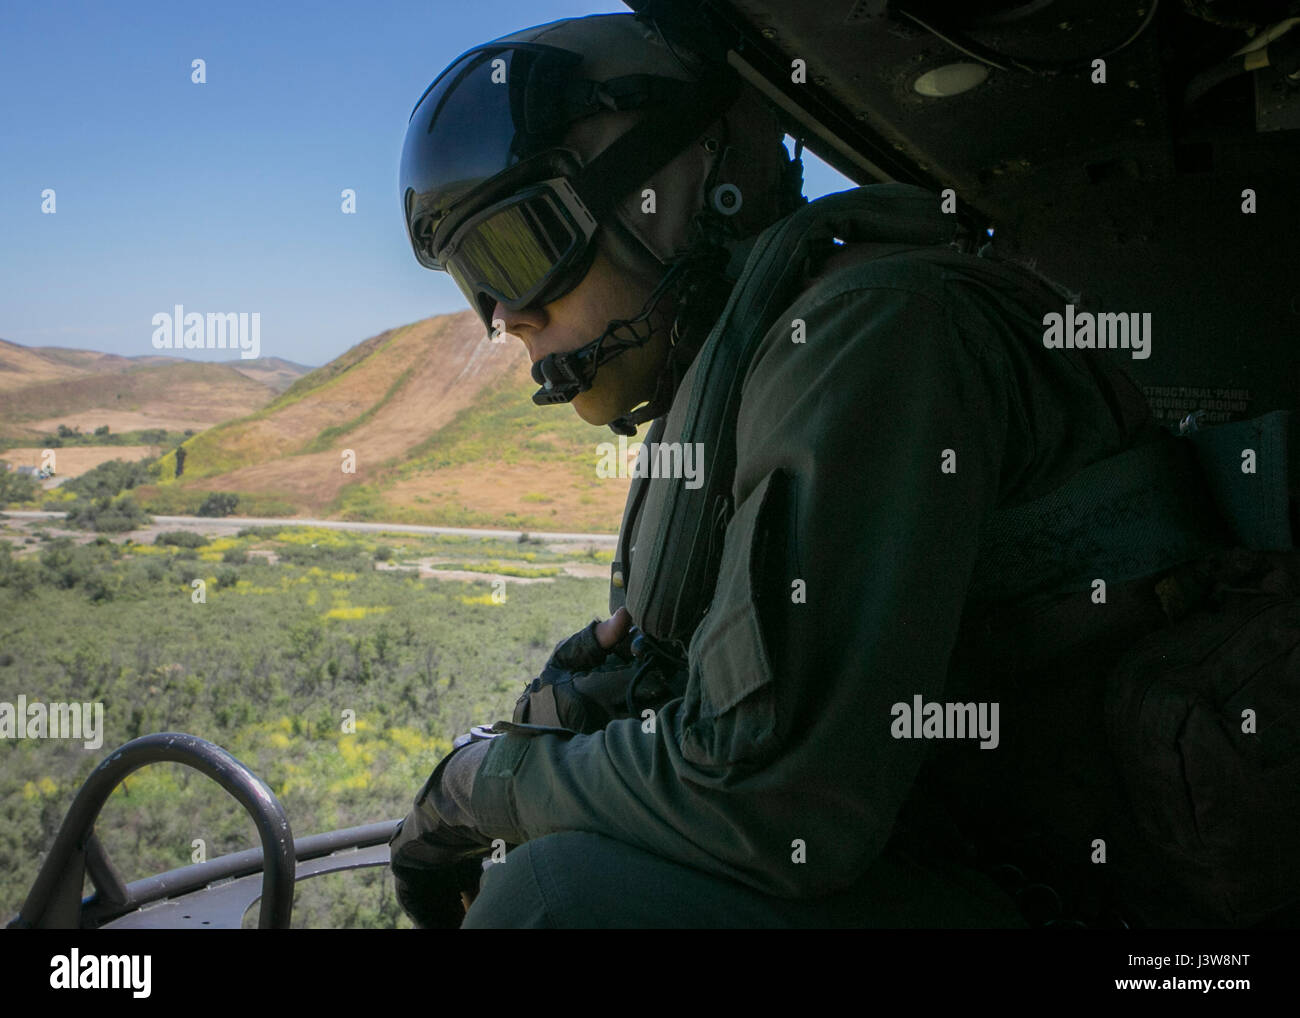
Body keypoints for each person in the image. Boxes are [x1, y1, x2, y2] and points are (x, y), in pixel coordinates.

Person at [388, 12, 1179, 929]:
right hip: (946, 854)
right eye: (472, 284)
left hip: (1090, 909)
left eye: (517, 250)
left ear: (688, 182)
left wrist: (488, 784)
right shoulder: (748, 371)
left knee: (558, 903)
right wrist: (590, 706)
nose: (505, 317)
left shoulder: (872, 332)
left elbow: (775, 799)